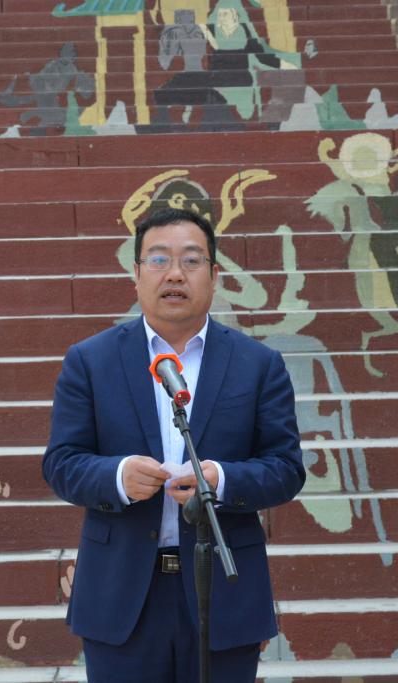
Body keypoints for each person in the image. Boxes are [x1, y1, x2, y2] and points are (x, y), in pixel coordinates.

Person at [42, 207, 306, 682]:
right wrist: (118, 477)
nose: (175, 274)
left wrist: (220, 480)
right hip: (121, 594)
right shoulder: (90, 361)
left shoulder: (257, 364)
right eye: (159, 259)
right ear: (137, 274)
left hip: (224, 593)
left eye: (191, 260)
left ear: (214, 276)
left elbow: (285, 468)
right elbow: (62, 463)